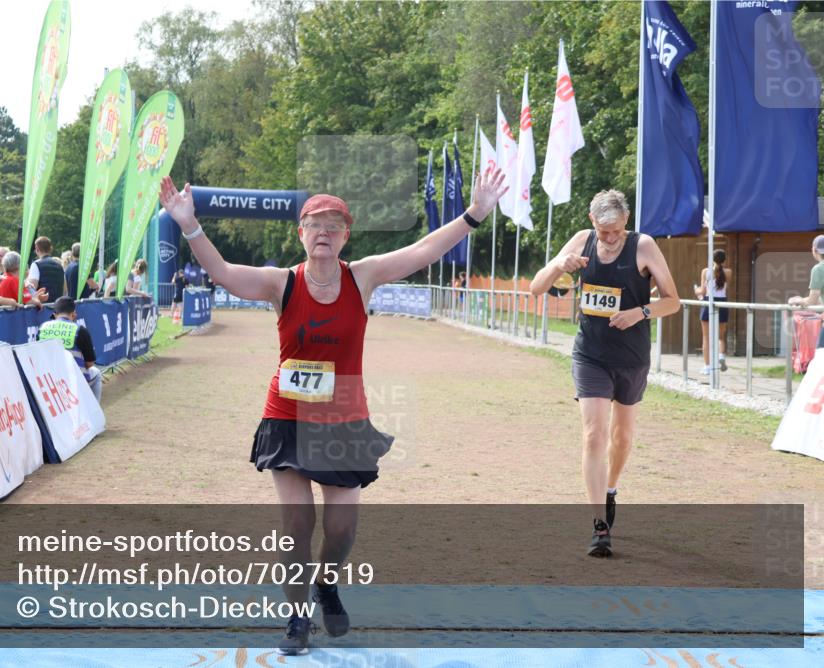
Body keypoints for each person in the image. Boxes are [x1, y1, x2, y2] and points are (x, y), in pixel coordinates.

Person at [158, 168, 508, 656]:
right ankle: (297, 616)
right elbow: (223, 274)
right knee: (297, 522)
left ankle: (326, 584)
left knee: (341, 531)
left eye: (334, 226)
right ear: (301, 234)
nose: (324, 233)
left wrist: (474, 215)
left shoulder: (361, 277)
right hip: (287, 417)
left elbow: (422, 252)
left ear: (345, 236)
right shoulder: (282, 283)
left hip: (343, 418)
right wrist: (188, 224)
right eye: (314, 225)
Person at [530, 190, 680, 558]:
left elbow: (673, 301)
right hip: (590, 355)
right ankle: (599, 525)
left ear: (625, 222)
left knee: (622, 437)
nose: (610, 238)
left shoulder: (643, 246)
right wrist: (558, 266)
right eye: (603, 230)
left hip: (631, 357)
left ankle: (610, 488)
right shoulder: (582, 240)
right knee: (594, 434)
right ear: (592, 221)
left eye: (616, 231)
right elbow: (536, 287)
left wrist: (639, 313)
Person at [37, 296, 102, 401]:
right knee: (96, 373)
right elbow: (90, 363)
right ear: (73, 314)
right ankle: (93, 412)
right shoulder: (80, 330)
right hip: (73, 380)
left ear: (54, 314)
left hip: (48, 380)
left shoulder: (42, 328)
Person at [694, 249, 731, 375]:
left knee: (706, 337)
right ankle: (721, 356)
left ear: (712, 259)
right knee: (721, 336)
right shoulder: (728, 272)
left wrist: (696, 291)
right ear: (725, 260)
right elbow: (724, 286)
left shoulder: (705, 271)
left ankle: (707, 366)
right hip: (722, 302)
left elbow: (703, 291)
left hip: (708, 302)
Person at [788, 234, 824, 348]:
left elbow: (812, 300)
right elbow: (818, 300)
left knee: (820, 355)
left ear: (814, 250)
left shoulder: (818, 269)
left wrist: (798, 300)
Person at [25, 236, 66, 302]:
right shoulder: (59, 265)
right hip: (57, 306)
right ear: (50, 248)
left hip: (43, 307)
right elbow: (64, 289)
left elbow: (32, 287)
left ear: (37, 249)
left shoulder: (36, 264)